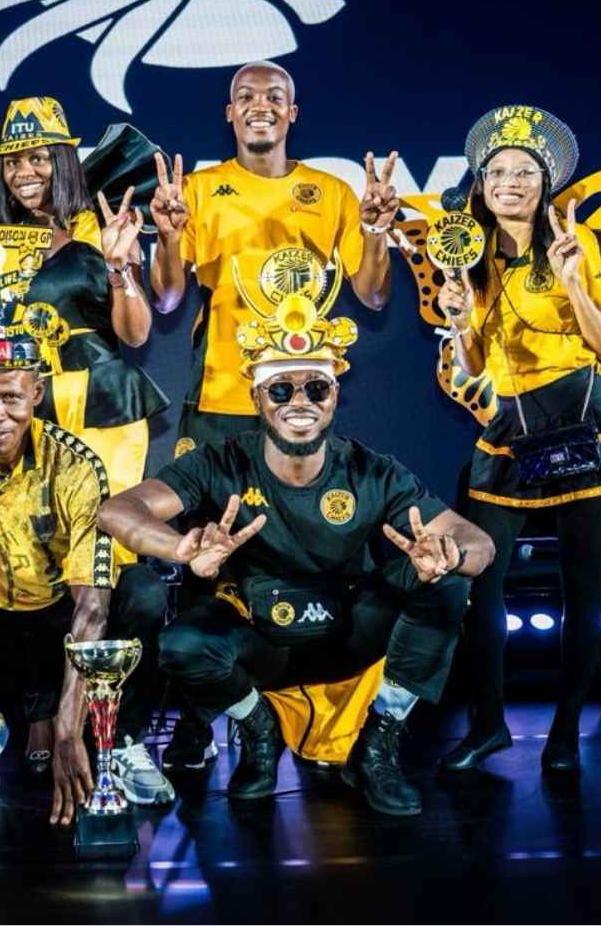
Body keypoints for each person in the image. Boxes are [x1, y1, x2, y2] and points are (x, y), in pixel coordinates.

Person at [98, 247, 494, 815]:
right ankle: (259, 730)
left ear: (335, 396)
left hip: (346, 632)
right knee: (182, 644)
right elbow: (118, 510)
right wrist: (179, 547)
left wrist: (450, 553)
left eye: (316, 388)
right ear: (258, 399)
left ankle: (378, 742)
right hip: (260, 637)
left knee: (448, 586)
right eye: (282, 390)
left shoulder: (371, 470)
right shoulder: (220, 461)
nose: (300, 402)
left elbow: (480, 543)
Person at [145, 60, 403, 768]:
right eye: (246, 98)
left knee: (304, 559)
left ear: (294, 113)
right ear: (229, 114)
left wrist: (377, 231)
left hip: (300, 410)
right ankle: (204, 715)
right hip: (223, 402)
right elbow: (167, 300)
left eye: (275, 97)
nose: (261, 107)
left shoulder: (332, 192)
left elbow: (374, 296)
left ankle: (325, 712)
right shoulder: (199, 188)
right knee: (209, 565)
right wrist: (168, 235)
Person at [0, 96, 170, 773]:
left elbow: (134, 334)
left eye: (40, 156)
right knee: (34, 563)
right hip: (25, 408)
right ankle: (42, 709)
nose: (26, 171)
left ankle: (115, 731)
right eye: (14, 161)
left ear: (65, 158)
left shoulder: (102, 225)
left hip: (101, 406)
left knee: (109, 571)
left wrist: (124, 264)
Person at [0, 285, 175, 820]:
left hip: (59, 629)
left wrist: (69, 727)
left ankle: (121, 741)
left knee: (140, 592)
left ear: (36, 392)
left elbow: (91, 606)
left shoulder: (76, 465)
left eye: (11, 398)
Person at [436, 104, 601, 775]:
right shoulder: (468, 255)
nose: (510, 182)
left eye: (524, 172)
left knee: (581, 579)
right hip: (513, 425)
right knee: (481, 574)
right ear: (480, 182)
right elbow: (474, 366)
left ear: (545, 182)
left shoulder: (574, 242)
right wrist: (457, 320)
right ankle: (489, 724)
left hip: (584, 414)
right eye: (497, 171)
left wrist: (570, 283)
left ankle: (565, 734)